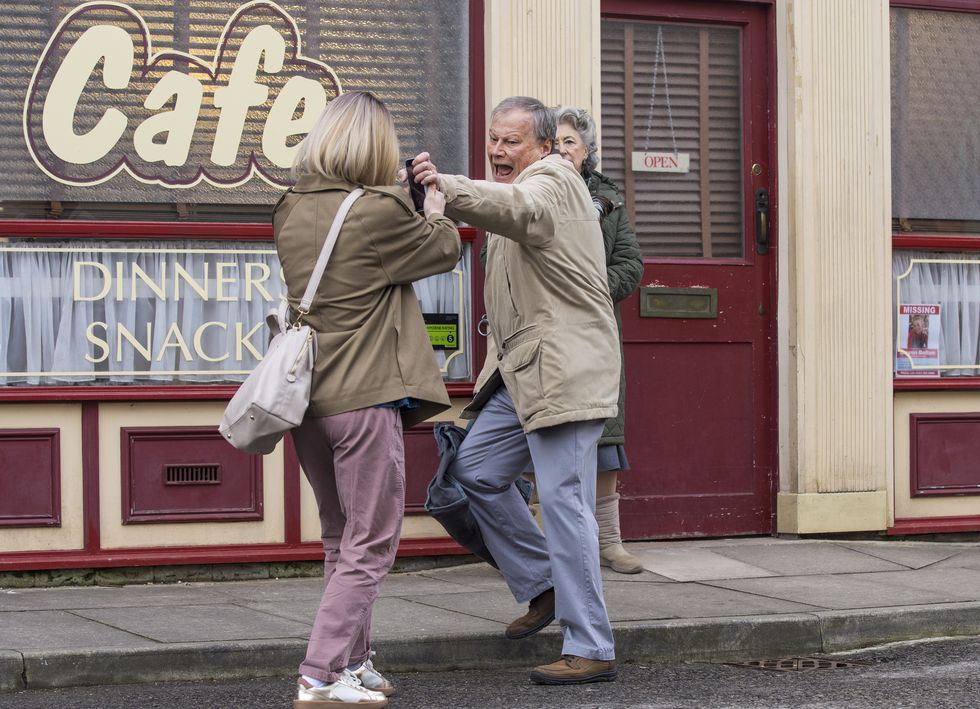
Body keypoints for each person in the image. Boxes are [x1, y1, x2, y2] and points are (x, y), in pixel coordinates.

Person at [413, 96, 622, 685]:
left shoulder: (553, 181)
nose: (498, 151)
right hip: (522, 373)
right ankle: (546, 584)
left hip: (564, 370)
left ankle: (592, 646)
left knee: (564, 506)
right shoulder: (525, 192)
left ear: (544, 145)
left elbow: (514, 205)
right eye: (493, 139)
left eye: (511, 141)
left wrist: (443, 186)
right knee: (474, 471)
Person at [275, 91, 461, 708]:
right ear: (378, 147)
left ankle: (353, 662)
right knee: (373, 540)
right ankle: (322, 674)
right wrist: (432, 207)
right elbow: (439, 251)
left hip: (310, 402)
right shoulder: (382, 210)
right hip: (366, 400)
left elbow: (362, 262)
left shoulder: (290, 208)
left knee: (340, 537)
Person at [554, 105, 644, 574]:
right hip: (543, 336)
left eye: (570, 141)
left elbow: (631, 264)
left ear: (587, 151)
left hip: (594, 336)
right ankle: (543, 546)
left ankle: (609, 542)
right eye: (555, 141)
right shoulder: (529, 191)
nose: (562, 149)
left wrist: (587, 286)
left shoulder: (608, 201)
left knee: (604, 441)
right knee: (541, 440)